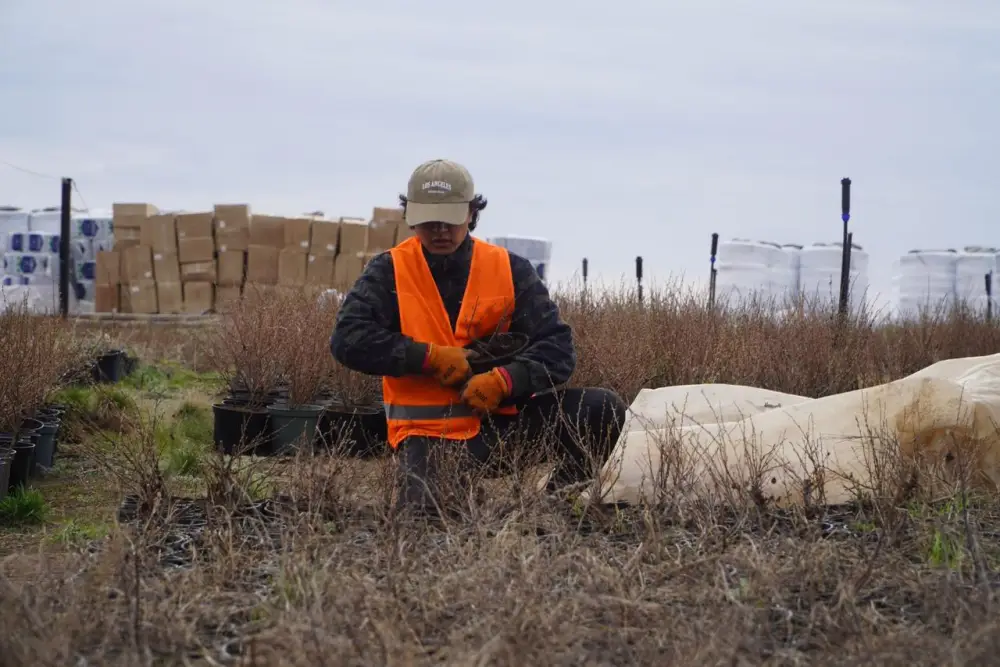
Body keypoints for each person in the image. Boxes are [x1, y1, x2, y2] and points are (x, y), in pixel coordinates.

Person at [330, 158, 628, 513]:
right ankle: (456, 493)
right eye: (428, 220)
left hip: (503, 428)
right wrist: (428, 358)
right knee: (431, 520)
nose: (440, 229)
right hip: (428, 436)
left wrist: (505, 380)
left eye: (451, 219)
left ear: (472, 213)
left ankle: (557, 505)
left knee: (603, 409)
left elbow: (559, 349)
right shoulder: (388, 270)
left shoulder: (509, 268)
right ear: (410, 216)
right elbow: (348, 339)